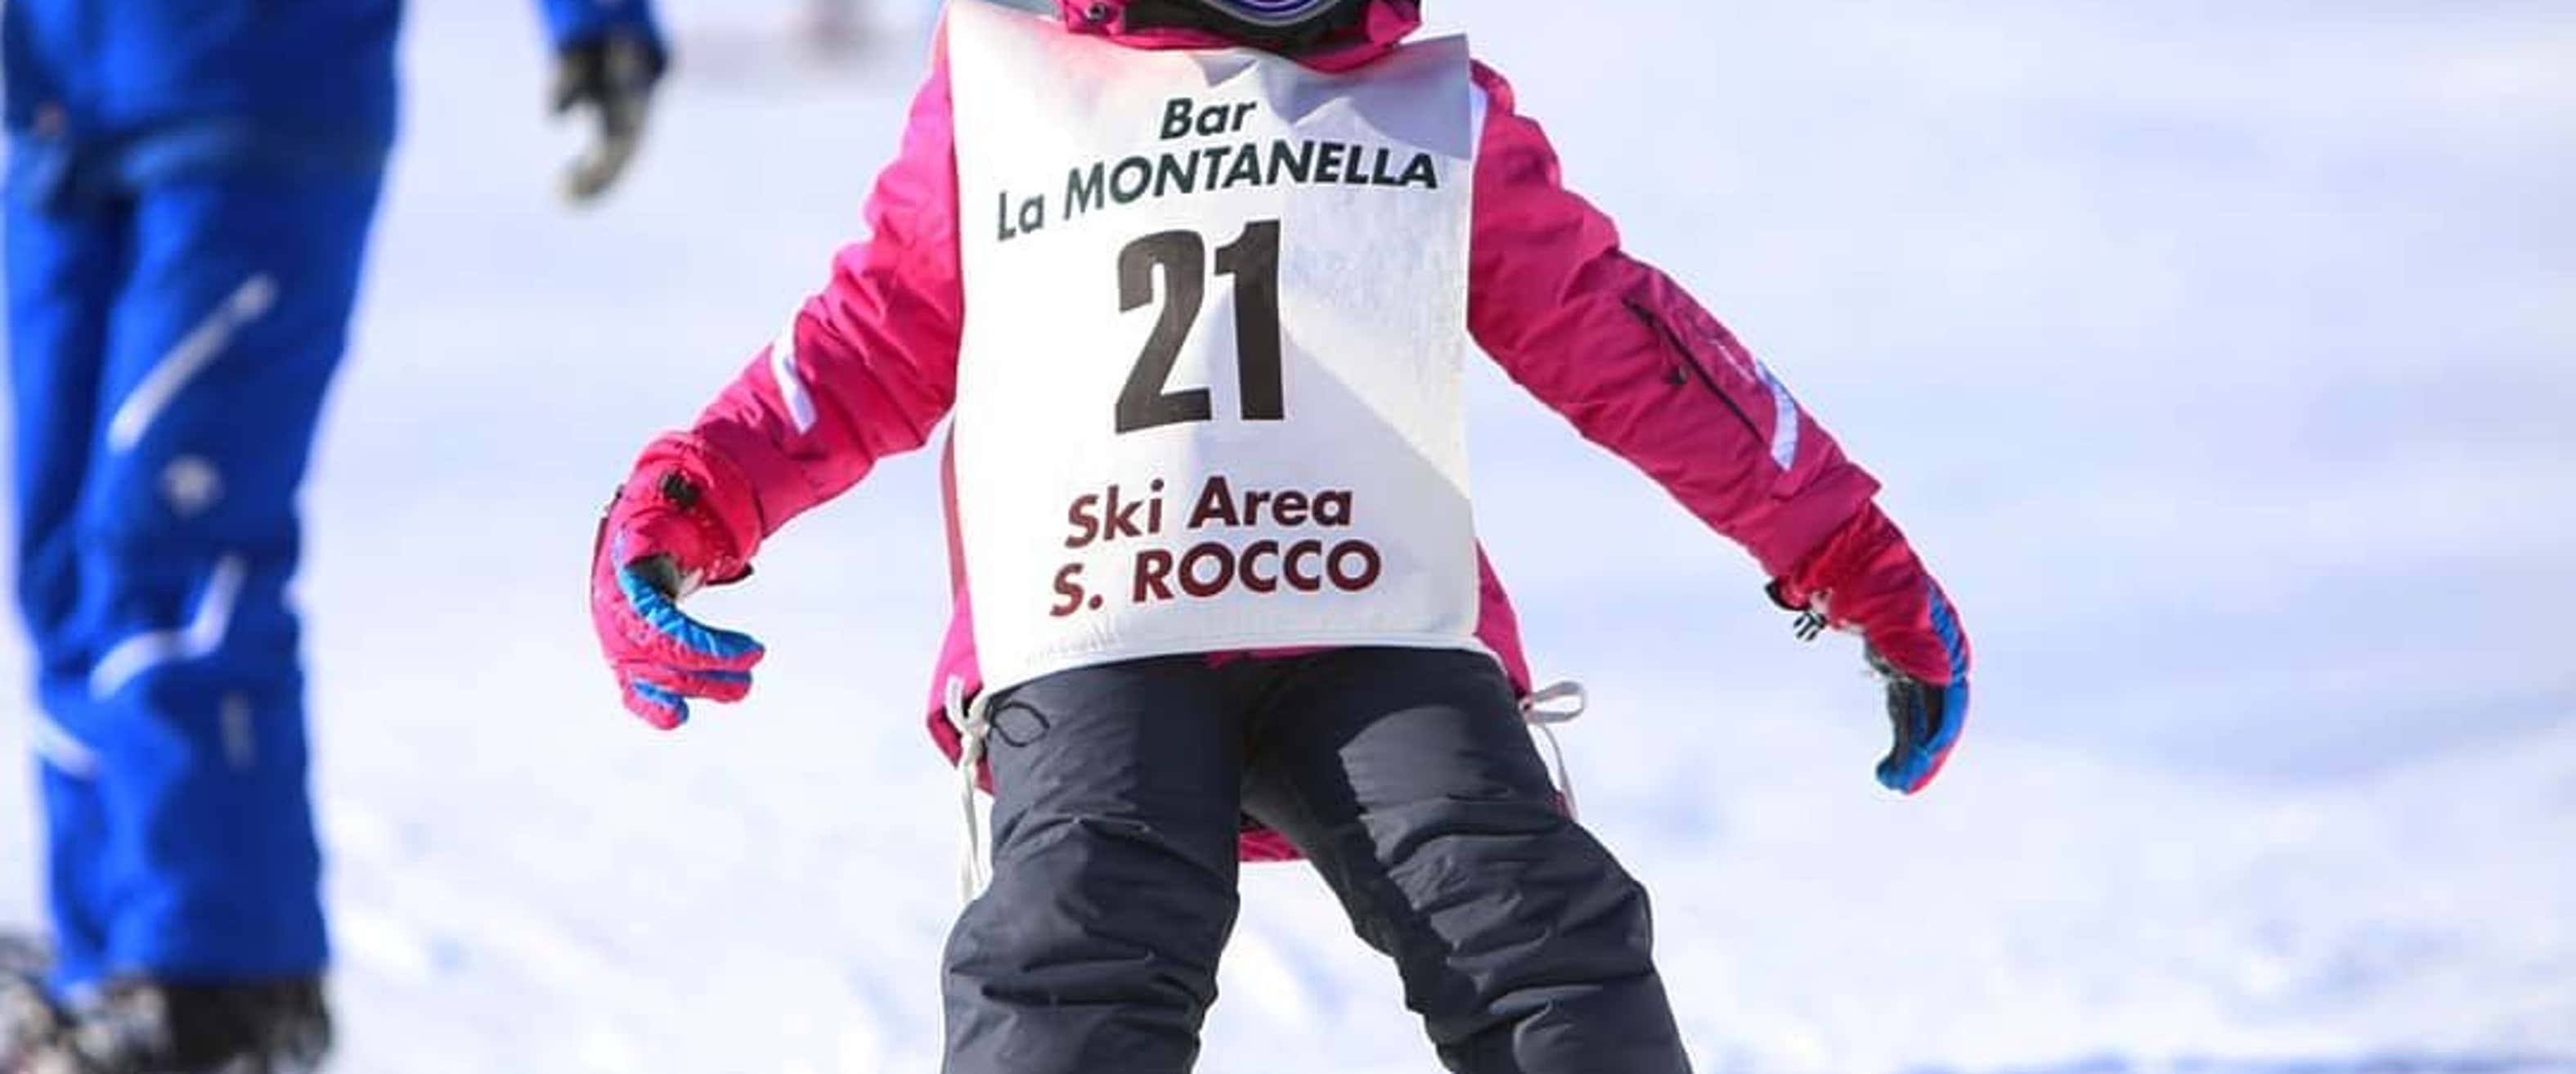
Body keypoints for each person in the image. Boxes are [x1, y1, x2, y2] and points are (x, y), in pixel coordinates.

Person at [586, 0, 1973, 1071]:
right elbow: (870, 338)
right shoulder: (1012, 98)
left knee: (1526, 917)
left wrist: (1850, 553)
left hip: (1367, 627)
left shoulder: (1427, 117)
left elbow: (1629, 347)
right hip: (1097, 627)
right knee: (1078, 932)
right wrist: (685, 511)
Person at [1, 0, 666, 1069]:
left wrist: (595, 20)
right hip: (51, 106)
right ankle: (110, 956)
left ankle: (223, 981)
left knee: (167, 539)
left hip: (252, 85)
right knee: (61, 561)